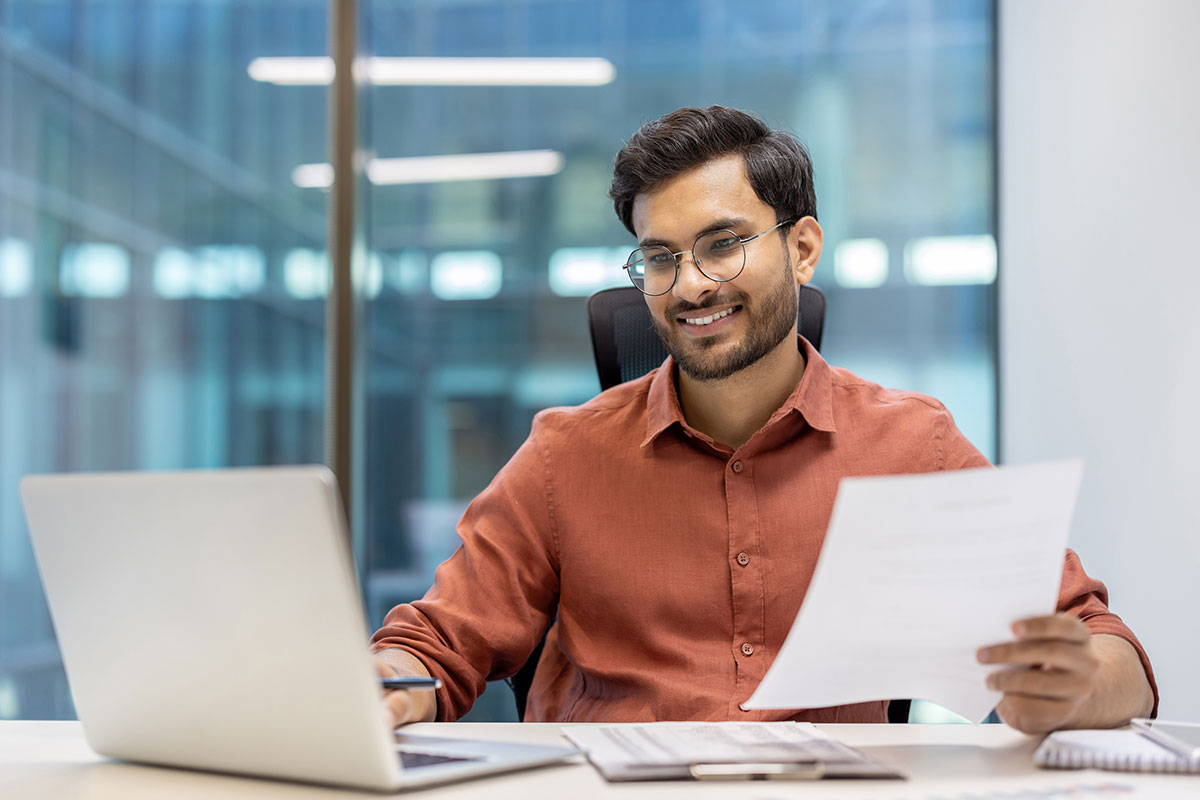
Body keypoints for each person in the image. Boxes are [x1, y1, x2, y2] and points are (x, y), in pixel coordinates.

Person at [371, 106, 1156, 734]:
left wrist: (1074, 685)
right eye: (661, 258)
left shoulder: (914, 445)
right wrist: (386, 689)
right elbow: (435, 645)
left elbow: (1105, 646)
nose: (690, 286)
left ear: (804, 247)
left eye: (723, 245)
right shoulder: (563, 456)